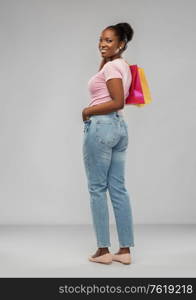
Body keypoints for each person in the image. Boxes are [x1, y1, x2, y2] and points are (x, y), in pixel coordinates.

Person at [82, 22, 135, 265]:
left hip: (102, 126)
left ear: (121, 44)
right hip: (119, 128)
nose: (103, 44)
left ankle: (103, 251)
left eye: (109, 40)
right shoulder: (122, 65)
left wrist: (88, 110)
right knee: (118, 189)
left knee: (96, 189)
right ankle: (124, 251)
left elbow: (117, 102)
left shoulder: (112, 67)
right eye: (101, 40)